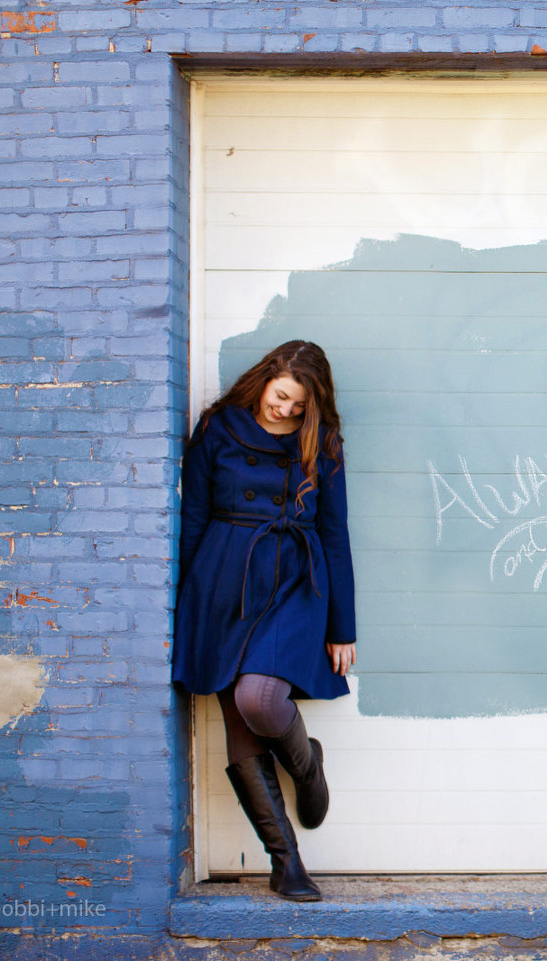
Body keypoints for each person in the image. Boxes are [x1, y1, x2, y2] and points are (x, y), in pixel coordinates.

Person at [174, 340, 356, 902]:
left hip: (295, 579)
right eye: (281, 397)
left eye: (299, 405)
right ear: (264, 380)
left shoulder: (322, 440)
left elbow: (335, 532)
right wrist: (188, 606)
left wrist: (342, 626)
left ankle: (307, 767)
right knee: (236, 715)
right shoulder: (218, 428)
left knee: (259, 700)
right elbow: (194, 516)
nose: (286, 411)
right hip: (223, 577)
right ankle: (286, 863)